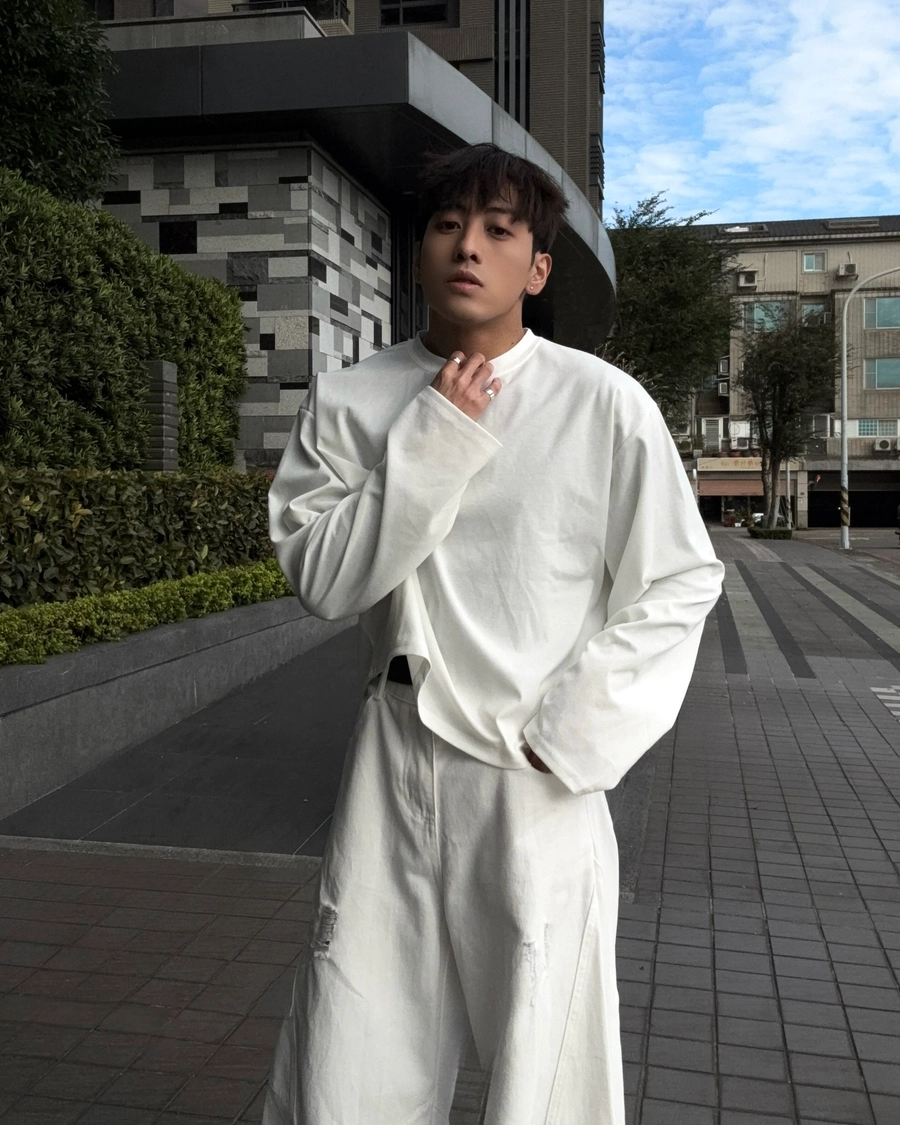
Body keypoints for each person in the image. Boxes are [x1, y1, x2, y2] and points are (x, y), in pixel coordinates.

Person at [263, 142, 725, 1125]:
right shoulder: (351, 400)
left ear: (537, 267)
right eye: (446, 225)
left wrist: (571, 735)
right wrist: (435, 432)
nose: (468, 246)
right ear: (418, 252)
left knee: (545, 1066)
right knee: (352, 1050)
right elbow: (326, 580)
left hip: (534, 777)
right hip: (392, 760)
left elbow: (680, 579)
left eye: (498, 230)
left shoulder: (601, 403)